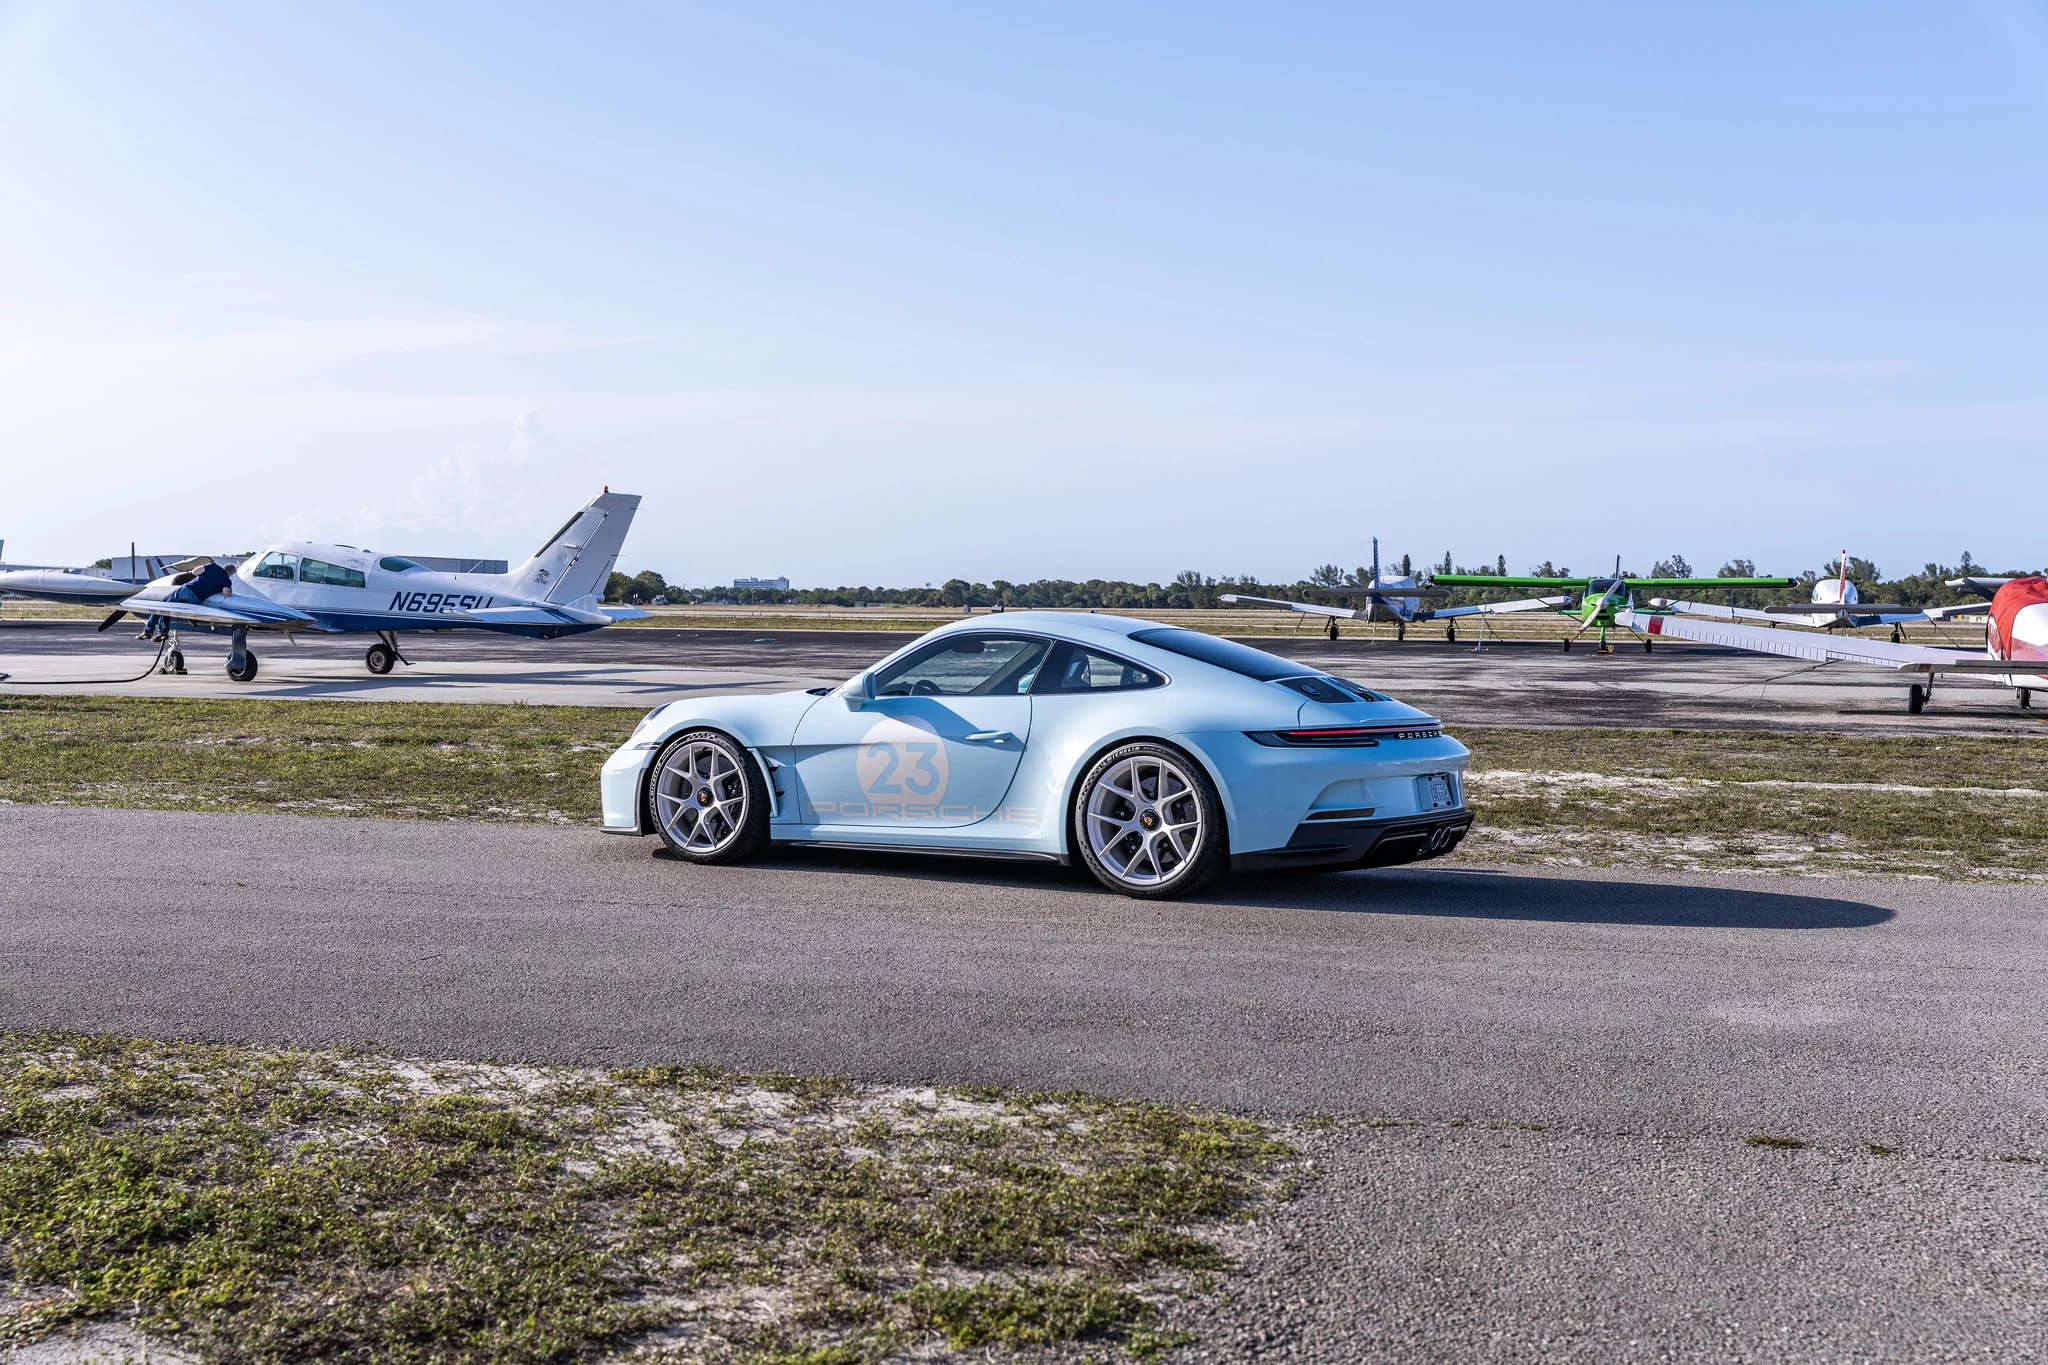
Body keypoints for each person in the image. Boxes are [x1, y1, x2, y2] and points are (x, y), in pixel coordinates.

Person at [143, 560, 233, 641]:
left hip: (187, 589)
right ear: (231, 574)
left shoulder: (214, 566)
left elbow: (195, 572)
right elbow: (226, 592)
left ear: (224, 567)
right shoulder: (227, 580)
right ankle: (162, 632)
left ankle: (150, 631)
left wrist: (197, 568)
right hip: (196, 599)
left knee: (164, 605)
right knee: (170, 607)